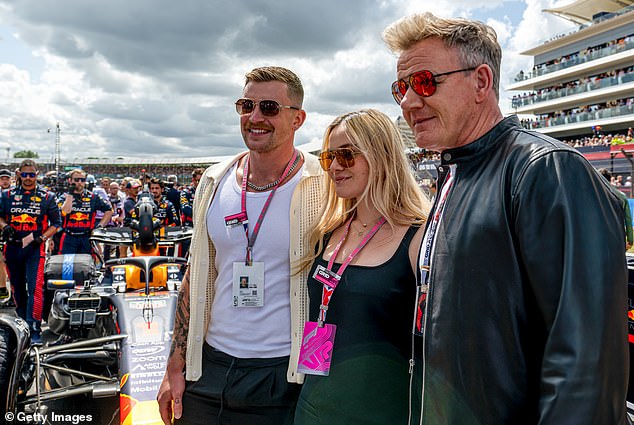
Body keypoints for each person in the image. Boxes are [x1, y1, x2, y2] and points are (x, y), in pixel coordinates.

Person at [382, 12, 628, 424]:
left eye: (424, 81)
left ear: (481, 82)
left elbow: (588, 361)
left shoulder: (547, 170)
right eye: (401, 88)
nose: (408, 101)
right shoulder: (453, 175)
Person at [157, 66, 324, 425]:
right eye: (246, 105)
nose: (255, 117)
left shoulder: (321, 184)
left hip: (284, 375)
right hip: (209, 368)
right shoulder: (214, 180)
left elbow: (330, 287)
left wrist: (315, 379)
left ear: (298, 119)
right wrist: (176, 362)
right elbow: (196, 271)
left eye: (269, 107)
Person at [293, 109, 429, 424]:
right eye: (329, 158)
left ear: (381, 156)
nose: (335, 167)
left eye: (347, 156)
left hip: (381, 412)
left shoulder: (417, 237)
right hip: (313, 408)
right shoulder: (325, 232)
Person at [0, 159, 61, 343]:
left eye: (32, 175)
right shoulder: (6, 195)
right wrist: (4, 227)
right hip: (13, 246)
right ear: (18, 174)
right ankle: (21, 323)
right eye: (24, 175)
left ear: (37, 174)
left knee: (35, 287)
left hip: (35, 248)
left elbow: (57, 223)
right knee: (17, 288)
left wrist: (43, 238)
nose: (28, 178)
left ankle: (34, 327)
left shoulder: (47, 196)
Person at [58, 169, 113, 255]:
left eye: (82, 180)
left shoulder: (93, 197)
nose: (79, 182)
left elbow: (109, 210)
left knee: (87, 264)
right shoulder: (64, 197)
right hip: (69, 236)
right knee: (67, 264)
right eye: (76, 180)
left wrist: (99, 226)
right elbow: (65, 211)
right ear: (70, 180)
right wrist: (70, 194)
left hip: (87, 236)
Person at [599, 168, 633, 250]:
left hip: (599, 237)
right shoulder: (622, 196)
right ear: (610, 179)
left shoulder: (594, 196)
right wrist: (630, 240)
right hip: (618, 237)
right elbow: (628, 220)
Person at [0, 168, 13, 300]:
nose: (4, 181)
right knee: (1, 261)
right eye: (2, 178)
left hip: (15, 232)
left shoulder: (14, 193)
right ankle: (3, 289)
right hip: (2, 232)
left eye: (6, 178)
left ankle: (15, 292)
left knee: (12, 262)